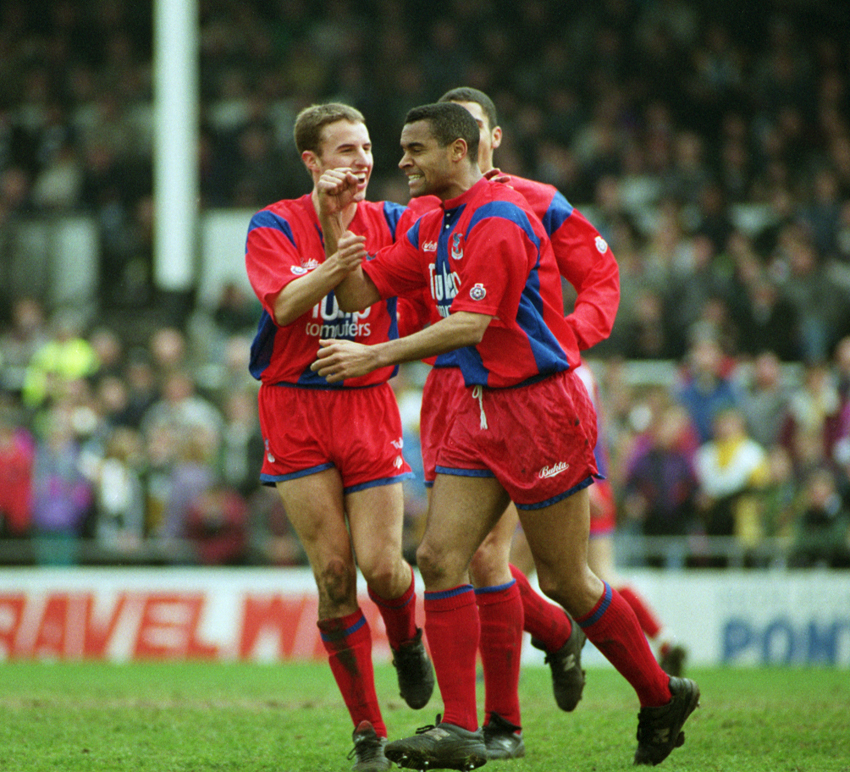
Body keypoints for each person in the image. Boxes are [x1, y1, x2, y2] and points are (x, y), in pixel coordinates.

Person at [313, 102, 699, 770]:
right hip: (478, 408)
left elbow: (471, 323)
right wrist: (331, 220)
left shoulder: (502, 217)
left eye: (414, 149)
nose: (401, 161)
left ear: (458, 151)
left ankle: (661, 695)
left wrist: (375, 355)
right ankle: (462, 729)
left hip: (540, 410)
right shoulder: (433, 222)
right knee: (440, 559)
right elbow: (356, 294)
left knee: (566, 580)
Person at [391, 86, 623, 760]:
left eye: (475, 130)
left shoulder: (535, 202)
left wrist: (569, 338)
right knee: (458, 555)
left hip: (525, 390)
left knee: (487, 557)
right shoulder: (426, 210)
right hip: (450, 386)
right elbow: (406, 291)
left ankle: (501, 724)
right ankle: (551, 634)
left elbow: (601, 276)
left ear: (491, 137)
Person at [243, 102, 436, 772]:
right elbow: (284, 304)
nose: (363, 162)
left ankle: (406, 640)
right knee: (332, 573)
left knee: (383, 568)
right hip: (293, 405)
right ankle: (368, 733)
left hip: (366, 400)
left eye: (367, 149)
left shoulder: (395, 222)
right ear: (312, 161)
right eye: (347, 150)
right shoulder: (272, 224)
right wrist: (335, 251)